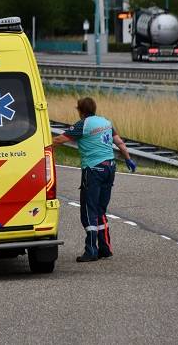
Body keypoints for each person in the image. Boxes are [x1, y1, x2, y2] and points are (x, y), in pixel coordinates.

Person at [52, 97, 136, 263]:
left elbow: (59, 140)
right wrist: (127, 159)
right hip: (110, 168)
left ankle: (91, 250)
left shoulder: (83, 124)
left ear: (80, 110)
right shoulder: (105, 122)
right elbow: (119, 142)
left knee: (89, 210)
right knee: (100, 209)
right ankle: (105, 248)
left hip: (94, 169)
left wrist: (41, 148)